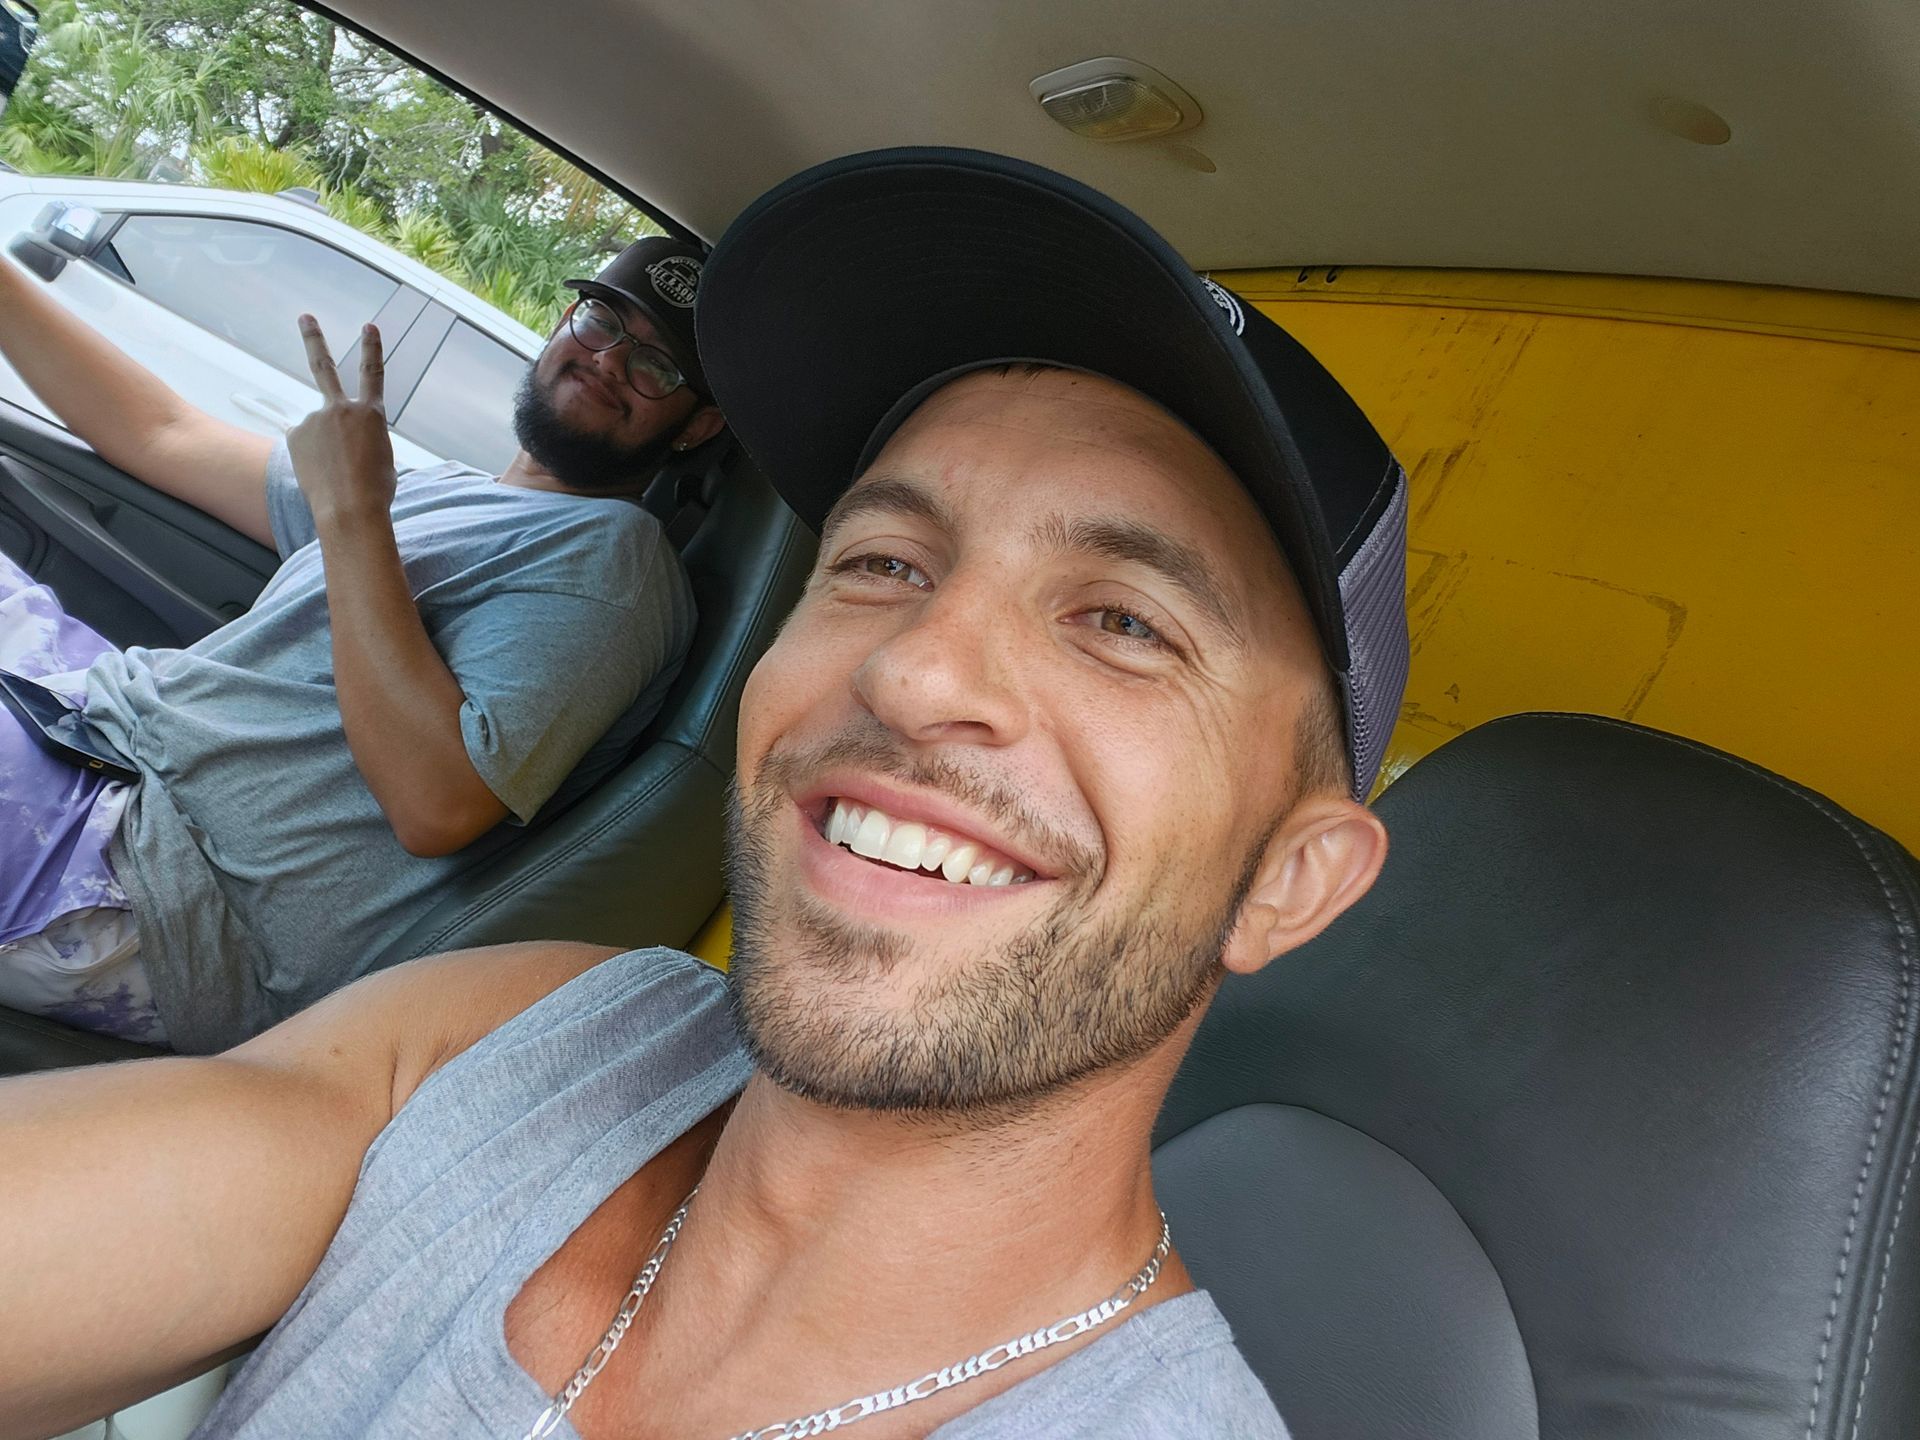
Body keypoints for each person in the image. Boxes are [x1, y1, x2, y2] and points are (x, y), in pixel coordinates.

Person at [0, 148, 1412, 1438]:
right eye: (883, 564)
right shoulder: (526, 1031)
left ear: (1290, 881)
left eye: (1124, 622)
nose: (917, 673)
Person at [0, 236, 724, 1051]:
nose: (608, 362)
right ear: (564, 322)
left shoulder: (614, 562)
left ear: (696, 426)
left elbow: (439, 804)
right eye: (602, 322)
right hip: (96, 741)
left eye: (656, 367)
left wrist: (352, 514)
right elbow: (161, 432)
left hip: (145, 882)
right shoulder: (446, 493)